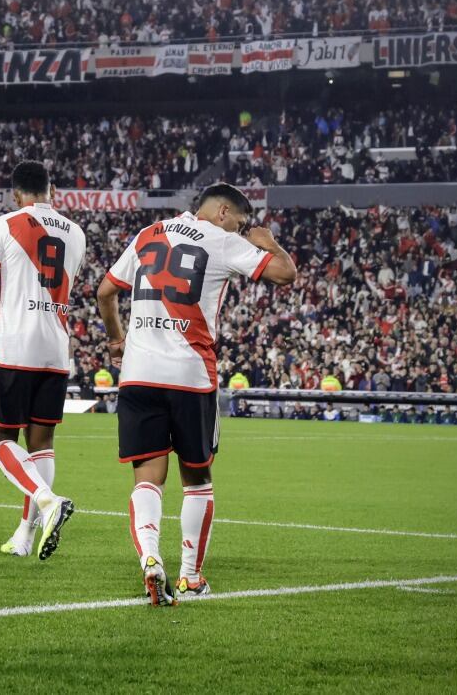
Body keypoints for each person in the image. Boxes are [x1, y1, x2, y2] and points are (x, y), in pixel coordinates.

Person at [96, 182, 298, 605]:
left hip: (138, 373)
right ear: (224, 212)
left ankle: (151, 558)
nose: (244, 231)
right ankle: (189, 577)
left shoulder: (148, 233)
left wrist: (117, 340)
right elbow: (286, 274)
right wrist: (269, 242)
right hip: (190, 374)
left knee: (147, 480)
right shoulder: (223, 241)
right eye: (241, 223)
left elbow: (105, 291)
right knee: (197, 480)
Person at [0, 160, 84, 561]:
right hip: (56, 348)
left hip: (15, 346)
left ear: (15, 194)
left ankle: (46, 499)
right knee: (41, 443)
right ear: (52, 189)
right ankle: (25, 534)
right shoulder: (75, 233)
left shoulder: (4, 224)